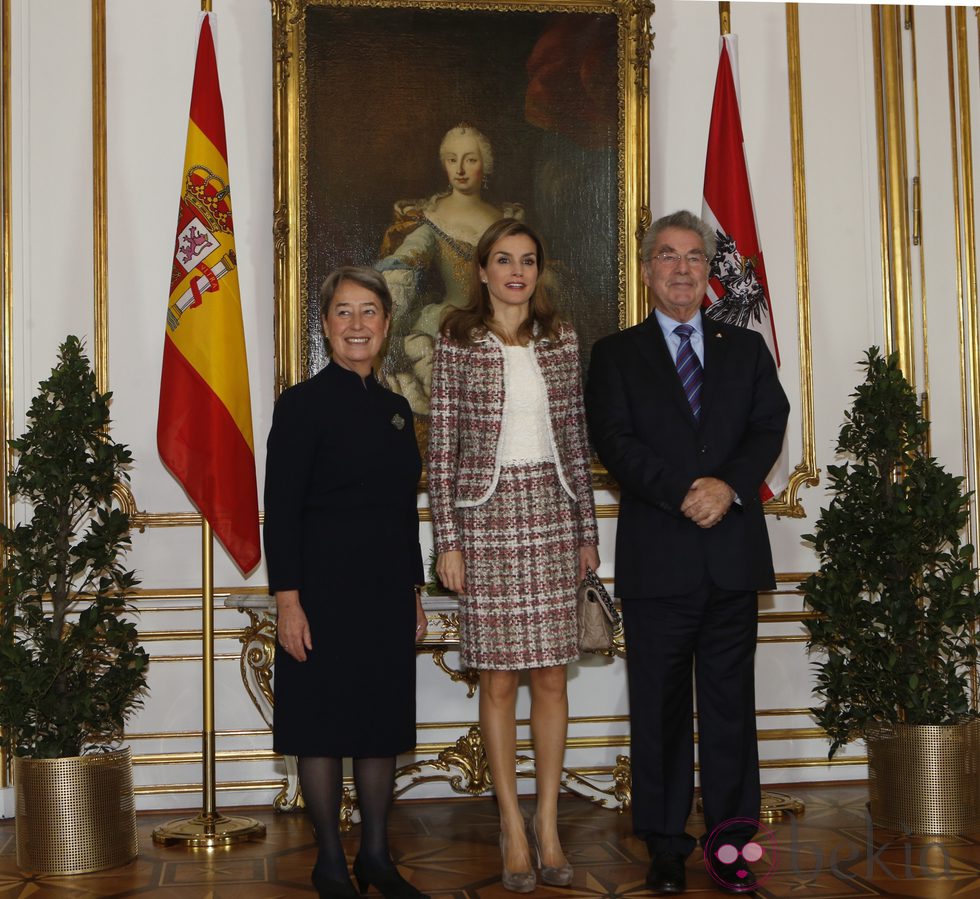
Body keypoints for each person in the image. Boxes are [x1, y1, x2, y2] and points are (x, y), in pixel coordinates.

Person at [585, 211, 789, 895]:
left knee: (731, 706)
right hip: (660, 559)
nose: (681, 268)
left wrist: (727, 486)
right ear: (647, 270)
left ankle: (731, 841)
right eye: (667, 256)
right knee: (661, 708)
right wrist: (685, 492)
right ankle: (666, 842)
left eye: (694, 256)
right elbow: (615, 441)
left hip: (730, 556)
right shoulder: (616, 354)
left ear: (708, 271)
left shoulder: (745, 349)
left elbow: (769, 423)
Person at [427, 218, 599, 893]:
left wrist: (588, 532)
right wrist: (447, 540)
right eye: (504, 260)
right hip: (486, 520)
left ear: (538, 270)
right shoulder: (457, 341)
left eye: (528, 261)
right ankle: (508, 822)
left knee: (552, 678)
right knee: (498, 681)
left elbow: (578, 444)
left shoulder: (561, 340)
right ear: (482, 270)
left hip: (553, 518)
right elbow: (442, 452)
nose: (517, 272)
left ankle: (548, 824)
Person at [264, 266, 429, 899]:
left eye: (368, 312)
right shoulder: (301, 405)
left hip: (385, 592)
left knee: (380, 723)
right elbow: (281, 509)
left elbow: (400, 510)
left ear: (387, 326)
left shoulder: (395, 410)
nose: (356, 324)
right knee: (322, 725)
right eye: (343, 312)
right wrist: (288, 600)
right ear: (325, 325)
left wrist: (413, 591)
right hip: (319, 593)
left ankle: (378, 859)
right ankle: (331, 861)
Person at [377, 123, 523, 414]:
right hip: (445, 320)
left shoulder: (506, 221)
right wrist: (387, 303)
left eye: (470, 159)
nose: (460, 169)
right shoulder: (432, 217)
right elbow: (403, 265)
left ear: (485, 165)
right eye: (452, 159)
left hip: (499, 324)